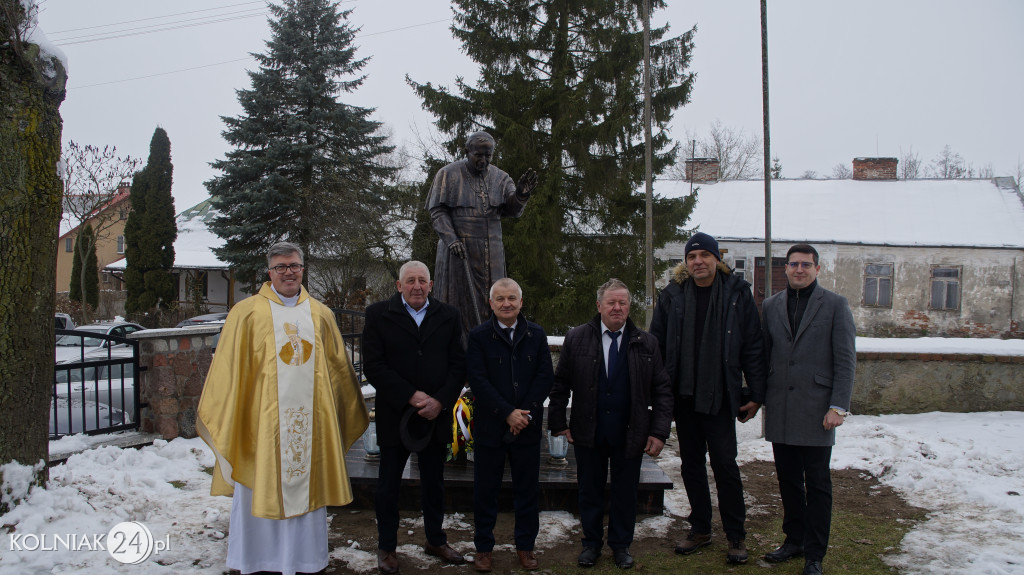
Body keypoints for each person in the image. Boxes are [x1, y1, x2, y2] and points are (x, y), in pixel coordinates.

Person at [197, 241, 369, 575]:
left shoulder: (320, 313)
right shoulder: (246, 312)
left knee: (307, 488)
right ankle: (256, 559)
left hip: (310, 428)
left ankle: (304, 560)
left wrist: (340, 411)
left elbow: (338, 372)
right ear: (269, 272)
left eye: (294, 266)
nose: (288, 272)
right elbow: (230, 373)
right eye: (281, 267)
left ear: (303, 269)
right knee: (257, 485)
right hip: (260, 428)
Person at [649, 232, 767, 565]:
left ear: (717, 259)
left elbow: (753, 346)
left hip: (720, 396)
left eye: (704, 255)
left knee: (726, 466)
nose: (698, 261)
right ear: (685, 263)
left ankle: (736, 534)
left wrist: (756, 393)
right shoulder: (672, 295)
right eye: (692, 256)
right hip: (683, 396)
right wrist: (657, 394)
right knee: (691, 465)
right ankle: (700, 528)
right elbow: (656, 345)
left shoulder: (737, 294)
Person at [549, 279, 674, 570]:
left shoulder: (647, 342)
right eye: (611, 302)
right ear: (599, 306)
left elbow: (662, 390)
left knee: (625, 492)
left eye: (623, 303)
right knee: (589, 491)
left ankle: (621, 546)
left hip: (631, 432)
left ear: (629, 307)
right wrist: (558, 423)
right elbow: (560, 385)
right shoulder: (577, 338)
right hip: (588, 431)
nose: (617, 308)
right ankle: (591, 544)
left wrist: (658, 431)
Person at [363, 261, 468, 574]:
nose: (417, 286)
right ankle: (387, 547)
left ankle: (436, 539)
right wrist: (410, 394)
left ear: (431, 285)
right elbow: (374, 365)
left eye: (423, 280)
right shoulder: (379, 314)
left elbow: (458, 364)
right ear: (399, 286)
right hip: (396, 413)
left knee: (434, 483)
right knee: (388, 486)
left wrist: (440, 400)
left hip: (435, 415)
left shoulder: (448, 315)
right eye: (410, 280)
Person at [761, 244, 856, 575]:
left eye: (806, 264)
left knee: (817, 484)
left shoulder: (834, 306)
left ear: (818, 269)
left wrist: (838, 406)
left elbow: (845, 359)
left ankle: (815, 553)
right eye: (793, 264)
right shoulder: (771, 306)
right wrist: (756, 396)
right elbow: (764, 356)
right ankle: (794, 540)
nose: (799, 269)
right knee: (787, 480)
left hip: (818, 412)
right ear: (785, 268)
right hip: (782, 409)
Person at [466, 278, 554, 572]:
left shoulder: (536, 334)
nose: (506, 304)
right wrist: (506, 413)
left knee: (527, 491)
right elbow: (478, 380)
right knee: (485, 491)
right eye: (500, 299)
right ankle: (483, 548)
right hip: (491, 428)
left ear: (521, 302)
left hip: (526, 427)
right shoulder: (478, 336)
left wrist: (523, 414)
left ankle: (526, 547)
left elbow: (544, 377)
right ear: (491, 304)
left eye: (512, 298)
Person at [426, 131, 538, 333]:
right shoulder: (448, 174)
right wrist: (451, 240)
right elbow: (437, 212)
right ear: (467, 151)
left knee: (493, 304)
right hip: (458, 250)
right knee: (457, 304)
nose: (484, 160)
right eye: (479, 155)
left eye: (489, 156)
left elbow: (512, 211)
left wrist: (521, 195)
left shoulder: (501, 178)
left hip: (491, 249)